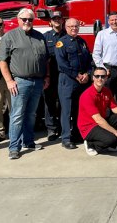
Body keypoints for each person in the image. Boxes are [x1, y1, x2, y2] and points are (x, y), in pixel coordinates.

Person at [0, 8, 50, 160]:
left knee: (31, 114)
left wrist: (46, 76)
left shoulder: (40, 37)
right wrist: (9, 81)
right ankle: (14, 147)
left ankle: (28, 142)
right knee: (17, 115)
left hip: (38, 81)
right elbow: (2, 61)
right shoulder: (10, 36)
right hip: (20, 82)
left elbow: (45, 59)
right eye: (24, 19)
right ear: (18, 20)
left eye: (30, 20)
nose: (27, 22)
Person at [55, 18, 93, 150]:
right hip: (68, 80)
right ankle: (66, 138)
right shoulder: (61, 43)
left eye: (76, 26)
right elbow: (62, 64)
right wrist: (77, 75)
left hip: (82, 81)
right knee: (67, 110)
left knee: (79, 109)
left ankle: (77, 134)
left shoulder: (82, 42)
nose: (74, 29)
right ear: (66, 28)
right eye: (71, 26)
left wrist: (88, 74)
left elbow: (89, 60)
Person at [78, 67, 117, 156]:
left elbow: (115, 109)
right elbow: (98, 119)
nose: (100, 78)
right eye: (97, 76)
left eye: (102, 76)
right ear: (93, 78)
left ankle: (113, 145)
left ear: (106, 78)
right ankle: (91, 144)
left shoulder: (106, 91)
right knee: (111, 138)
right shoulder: (87, 95)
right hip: (89, 126)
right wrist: (116, 132)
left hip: (101, 120)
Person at [42, 11, 66, 141]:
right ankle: (51, 129)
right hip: (50, 75)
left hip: (64, 75)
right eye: (54, 19)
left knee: (64, 102)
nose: (57, 20)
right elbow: (43, 58)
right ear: (50, 22)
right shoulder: (45, 37)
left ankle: (64, 128)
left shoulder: (68, 35)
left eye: (59, 18)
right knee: (49, 102)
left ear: (63, 20)